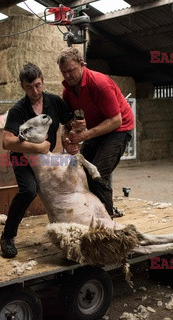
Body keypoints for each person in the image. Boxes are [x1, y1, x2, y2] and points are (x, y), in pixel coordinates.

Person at [0, 63, 76, 258]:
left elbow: (70, 124)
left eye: (37, 85)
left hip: (46, 159)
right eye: (29, 87)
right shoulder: (18, 109)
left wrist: (70, 139)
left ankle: (73, 231)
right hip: (22, 158)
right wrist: (38, 148)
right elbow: (7, 142)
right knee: (28, 190)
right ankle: (7, 237)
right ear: (22, 87)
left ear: (42, 80)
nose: (34, 91)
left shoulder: (55, 102)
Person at [57, 47, 135, 217]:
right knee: (81, 170)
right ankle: (95, 212)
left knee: (97, 173)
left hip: (119, 128)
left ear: (82, 65)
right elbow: (66, 121)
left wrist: (84, 135)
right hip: (97, 127)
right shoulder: (68, 90)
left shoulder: (100, 84)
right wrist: (65, 139)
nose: (67, 76)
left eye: (71, 70)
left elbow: (116, 120)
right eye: (63, 72)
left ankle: (107, 222)